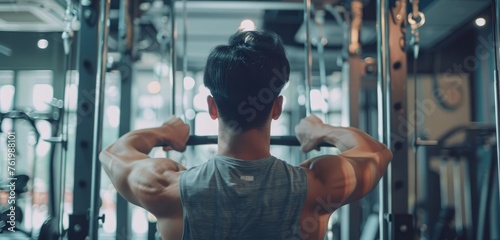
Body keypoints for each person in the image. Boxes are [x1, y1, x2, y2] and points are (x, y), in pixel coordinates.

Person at [100, 30, 393, 240]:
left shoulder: (165, 187)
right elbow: (377, 153)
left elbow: (112, 154)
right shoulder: (320, 184)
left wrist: (163, 133)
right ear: (277, 107)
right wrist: (323, 131)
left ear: (212, 107)